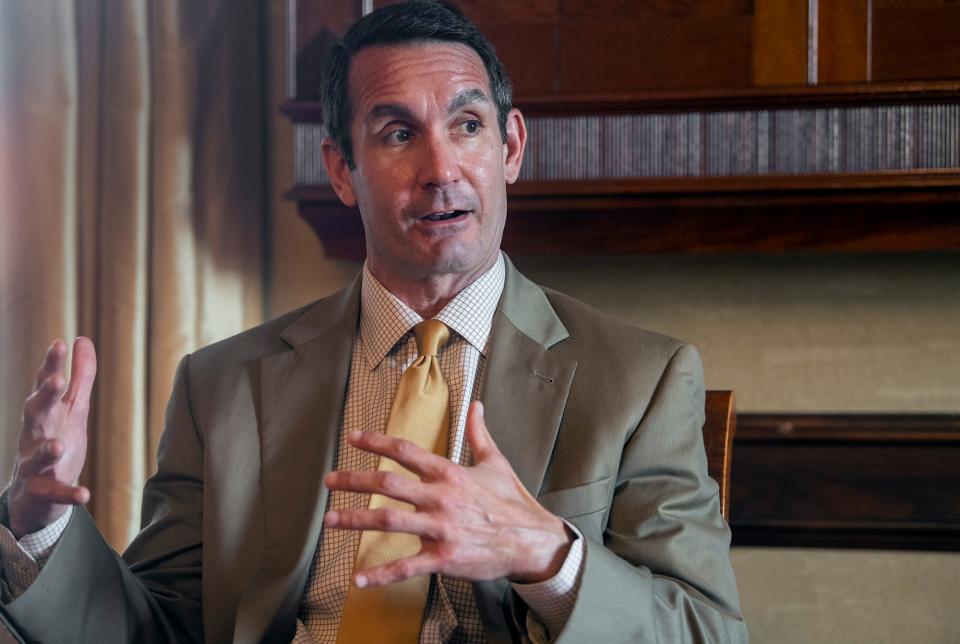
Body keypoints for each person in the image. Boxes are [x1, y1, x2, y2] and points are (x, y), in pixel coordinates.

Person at [0, 2, 747, 642]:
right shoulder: (221, 384)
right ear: (339, 168)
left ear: (510, 145)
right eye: (397, 134)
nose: (441, 169)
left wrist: (546, 552)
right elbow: (157, 628)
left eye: (466, 125)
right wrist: (37, 524)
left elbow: (707, 631)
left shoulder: (640, 380)